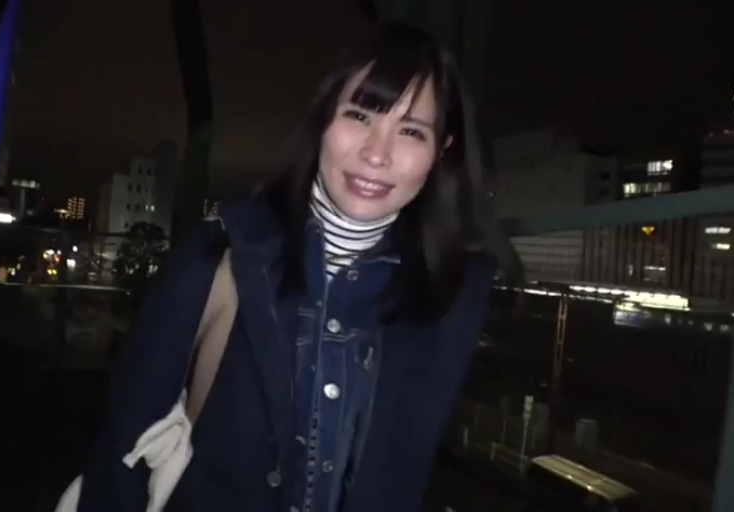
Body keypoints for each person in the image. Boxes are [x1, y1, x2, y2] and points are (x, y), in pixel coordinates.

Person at [77, 23, 516, 512]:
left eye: (411, 131)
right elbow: (120, 456)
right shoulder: (221, 256)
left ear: (441, 151)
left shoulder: (454, 295)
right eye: (359, 115)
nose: (377, 153)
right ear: (323, 118)